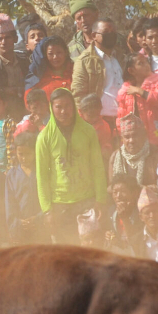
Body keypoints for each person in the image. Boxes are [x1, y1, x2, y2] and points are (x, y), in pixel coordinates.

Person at [35, 89, 108, 244]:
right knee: (65, 255)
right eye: (58, 106)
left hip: (87, 201)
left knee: (90, 252)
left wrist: (100, 199)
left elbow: (97, 167)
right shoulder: (44, 137)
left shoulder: (88, 131)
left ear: (74, 107)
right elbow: (42, 176)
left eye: (67, 106)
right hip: (59, 205)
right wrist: (47, 210)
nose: (63, 111)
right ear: (51, 108)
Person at [74, 18, 124, 121]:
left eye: (113, 32)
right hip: (100, 121)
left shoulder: (120, 56)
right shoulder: (84, 61)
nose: (110, 35)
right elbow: (78, 95)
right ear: (94, 36)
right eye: (106, 32)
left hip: (123, 118)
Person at [118, 52, 158, 148]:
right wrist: (122, 135)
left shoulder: (156, 82)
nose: (146, 65)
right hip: (134, 137)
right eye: (141, 63)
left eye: (146, 62)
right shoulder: (125, 90)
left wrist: (140, 91)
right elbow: (121, 116)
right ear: (131, 71)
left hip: (154, 133)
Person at [6, 130, 47, 244]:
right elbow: (9, 203)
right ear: (16, 152)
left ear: (35, 152)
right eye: (21, 154)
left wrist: (39, 218)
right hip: (20, 229)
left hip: (41, 227)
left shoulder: (42, 171)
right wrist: (17, 223)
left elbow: (49, 198)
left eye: (28, 154)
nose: (24, 158)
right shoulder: (12, 174)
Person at [0, 13, 30, 107]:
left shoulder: (25, 60)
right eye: (0, 39)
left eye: (8, 37)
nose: (3, 42)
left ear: (15, 39)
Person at [110, 113, 158, 187]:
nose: (131, 140)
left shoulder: (156, 154)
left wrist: (143, 189)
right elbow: (112, 187)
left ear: (143, 135)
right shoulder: (115, 156)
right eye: (127, 137)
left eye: (135, 135)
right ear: (122, 139)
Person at [79, 94, 114, 160]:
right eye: (90, 115)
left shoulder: (104, 126)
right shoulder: (75, 123)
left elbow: (105, 144)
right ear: (81, 112)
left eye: (97, 115)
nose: (94, 118)